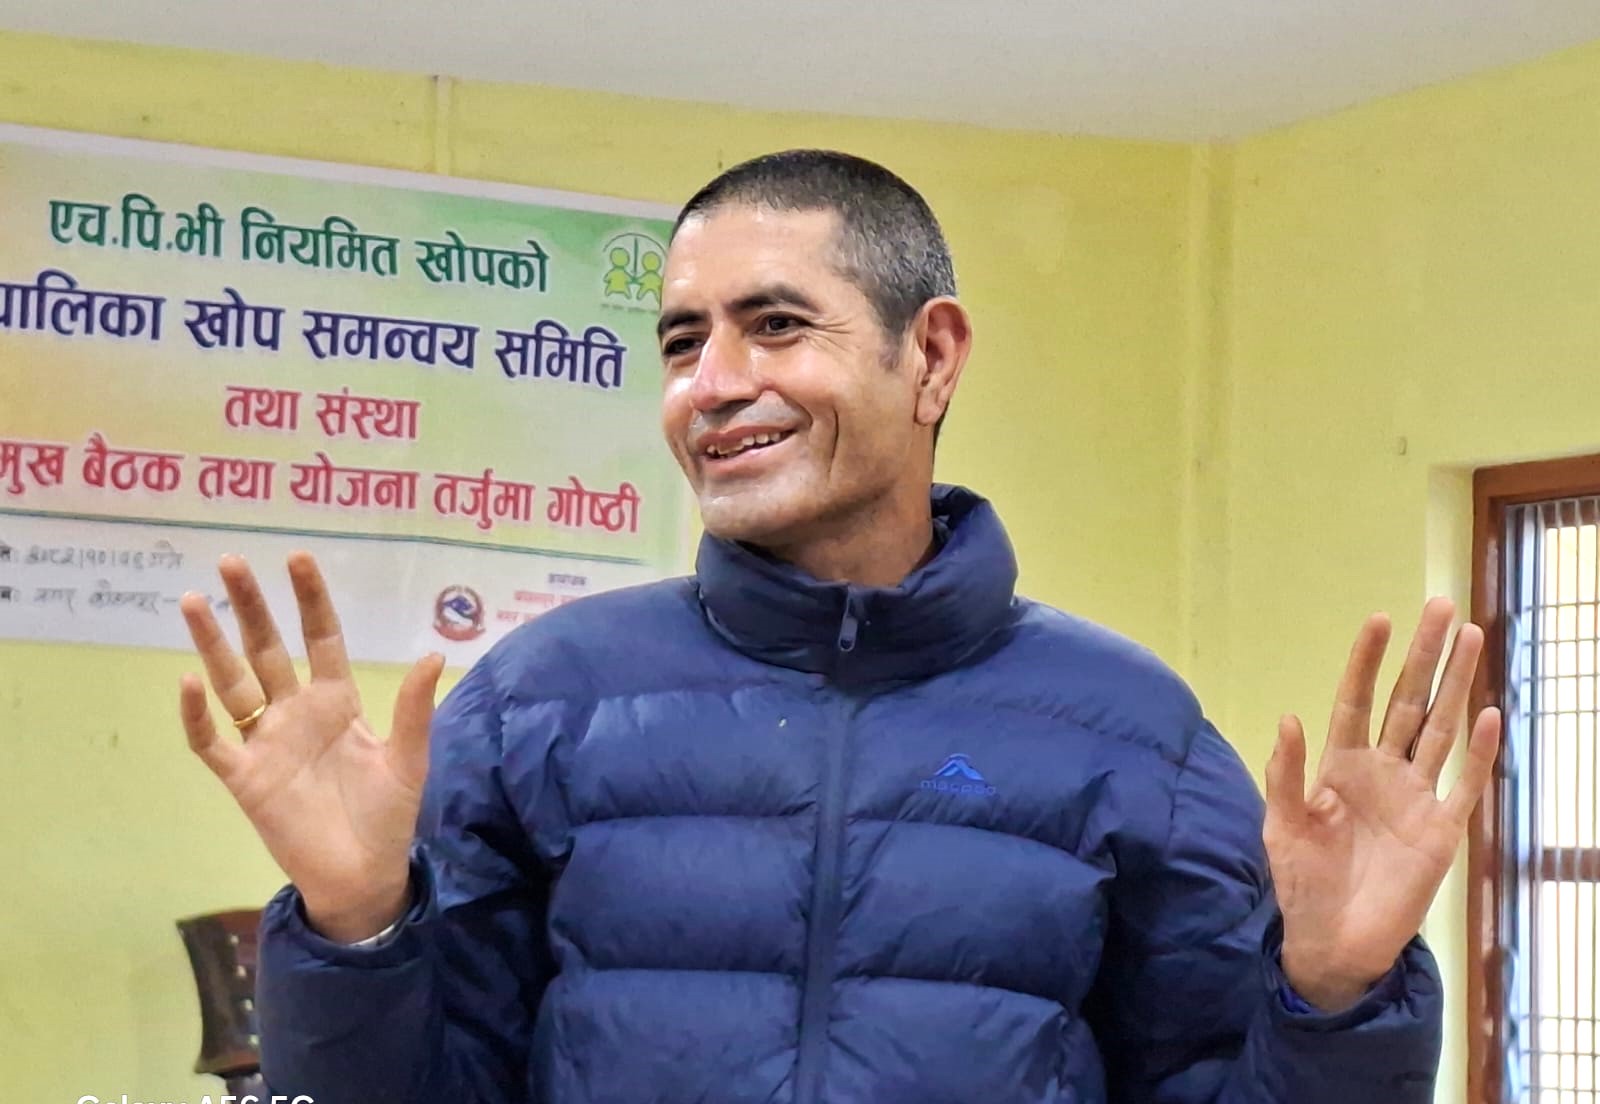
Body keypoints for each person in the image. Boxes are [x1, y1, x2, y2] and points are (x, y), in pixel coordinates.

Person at [178, 150, 1501, 1104]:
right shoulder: (542, 701)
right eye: (682, 343)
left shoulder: (1130, 730)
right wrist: (354, 931)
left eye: (775, 326)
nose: (713, 385)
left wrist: (1339, 998)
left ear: (932, 356)